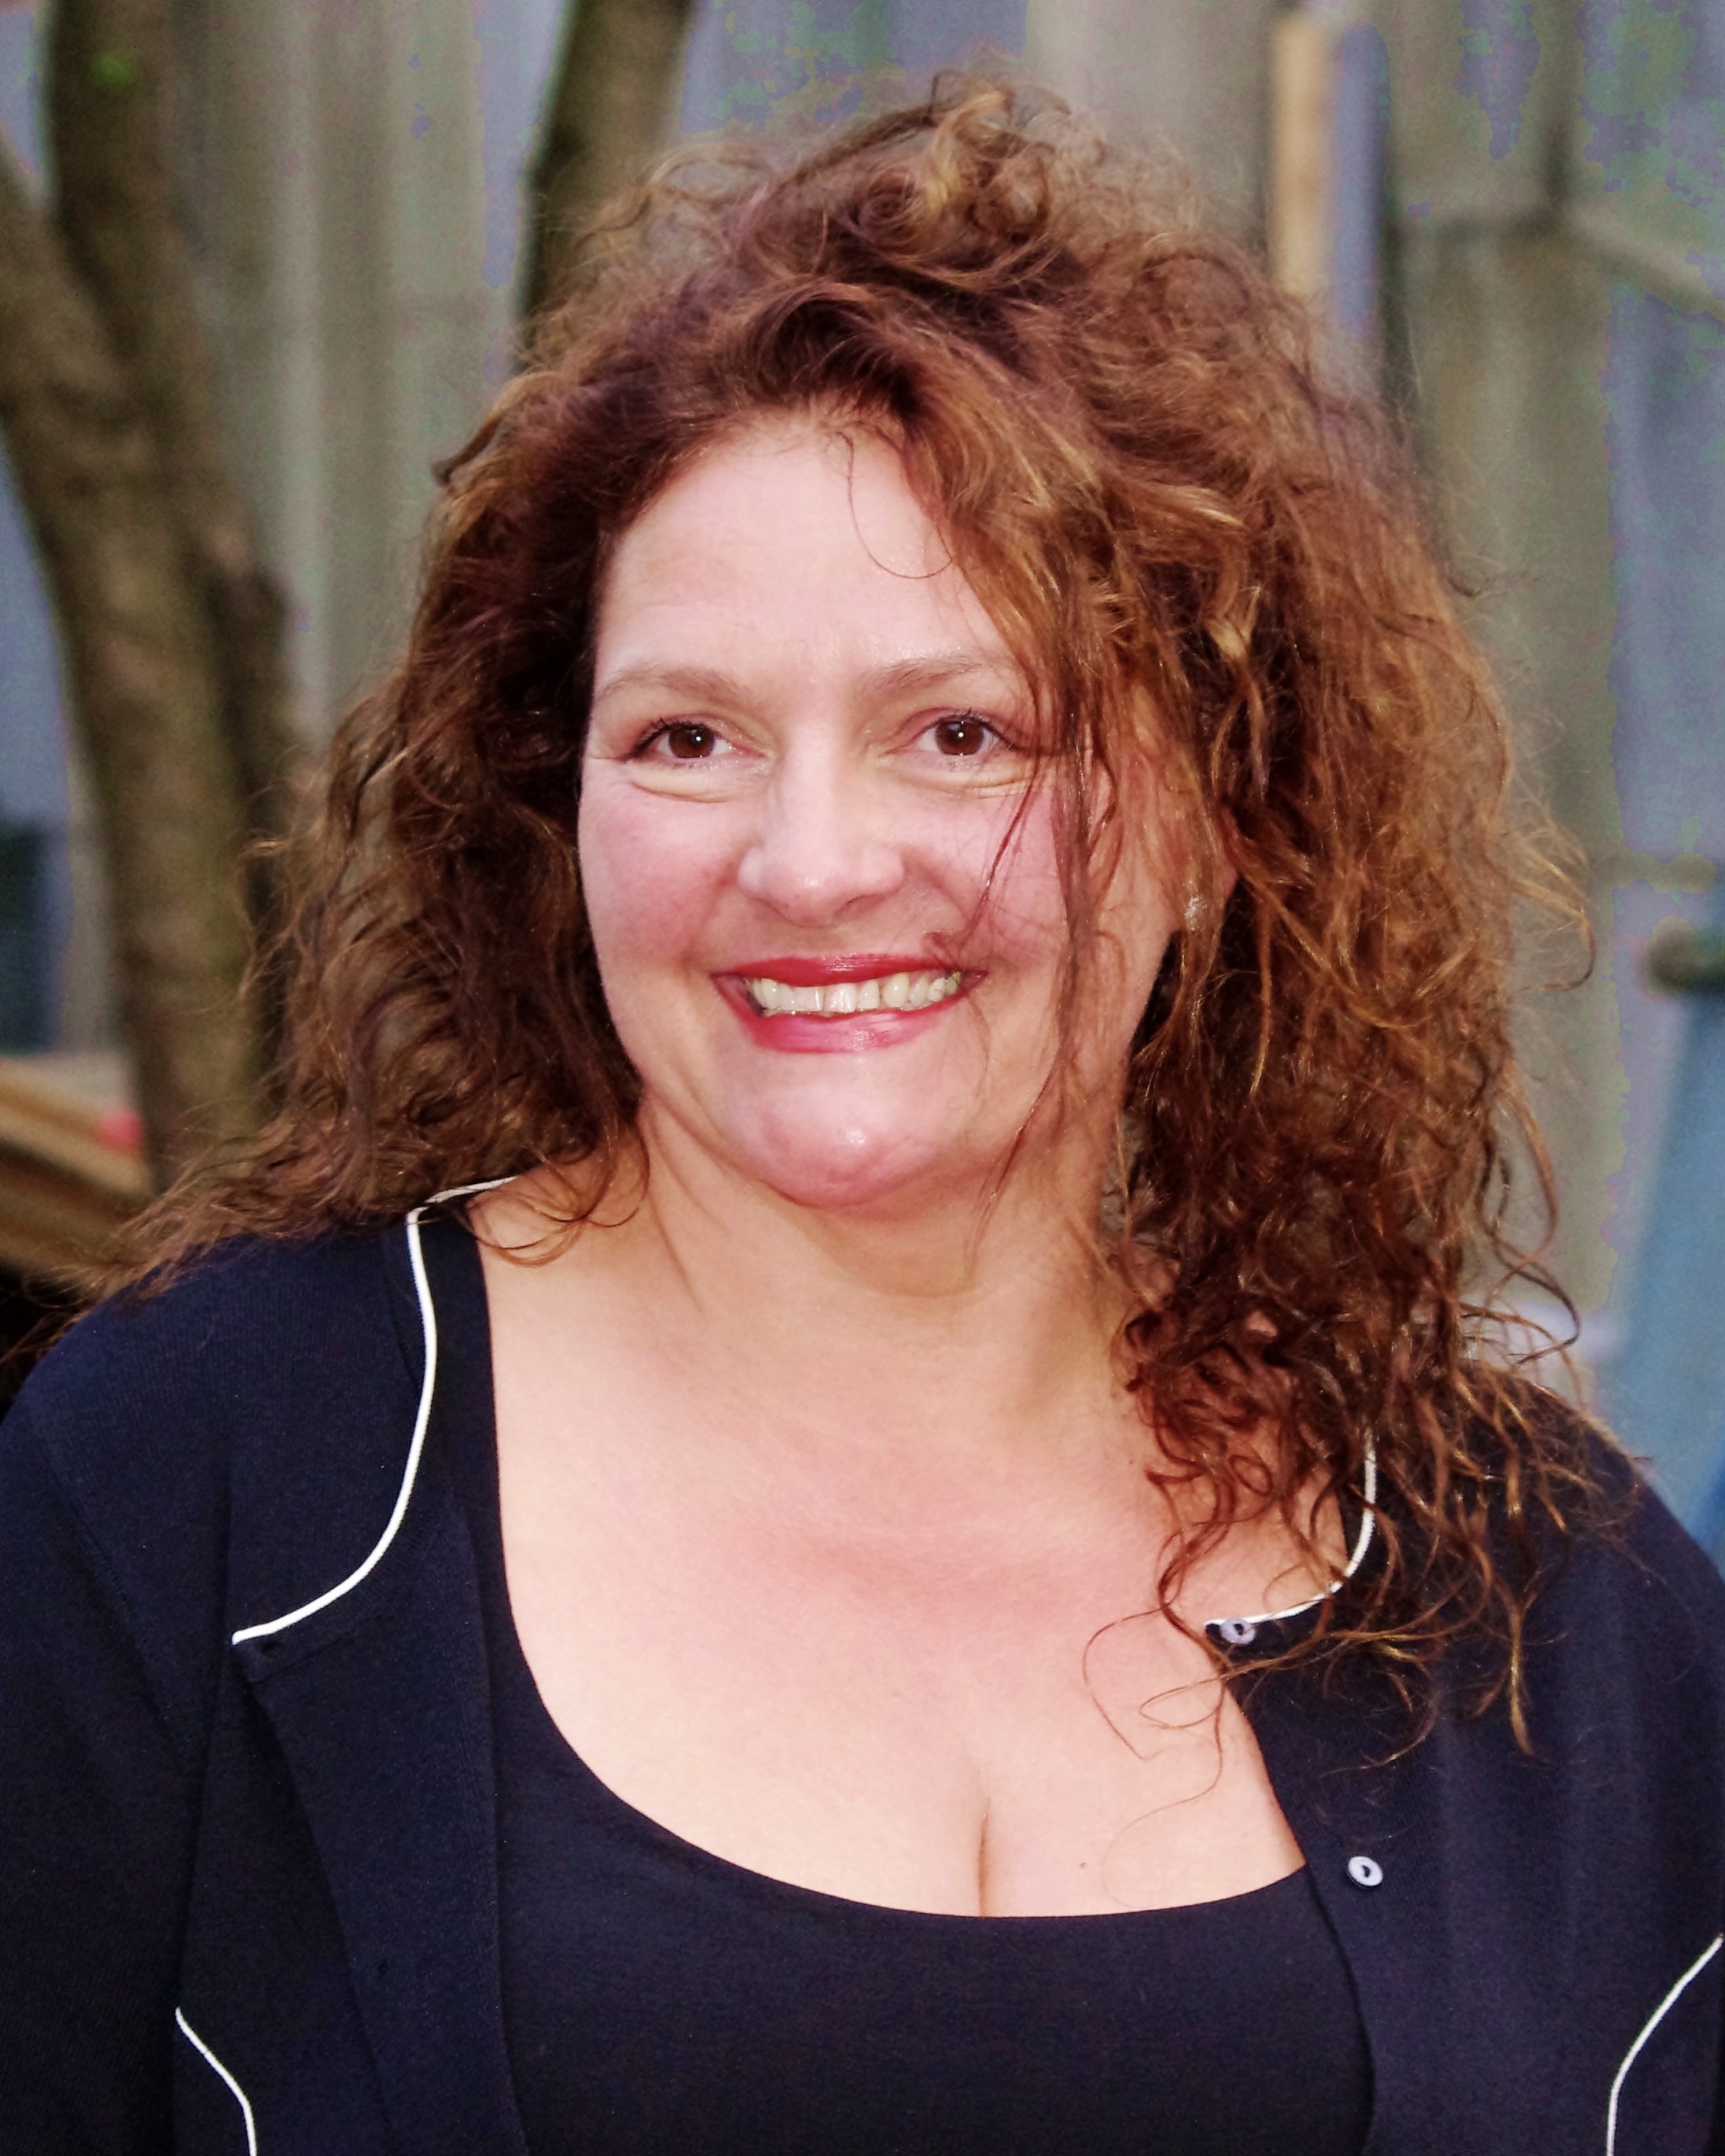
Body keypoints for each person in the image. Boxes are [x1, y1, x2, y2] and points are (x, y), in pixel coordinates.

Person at [2, 78, 1722, 2156]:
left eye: (962, 731)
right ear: (560, 808)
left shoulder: (1536, 1592)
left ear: (1216, 814)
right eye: (688, 737)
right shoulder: (208, 1481)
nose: (811, 864)